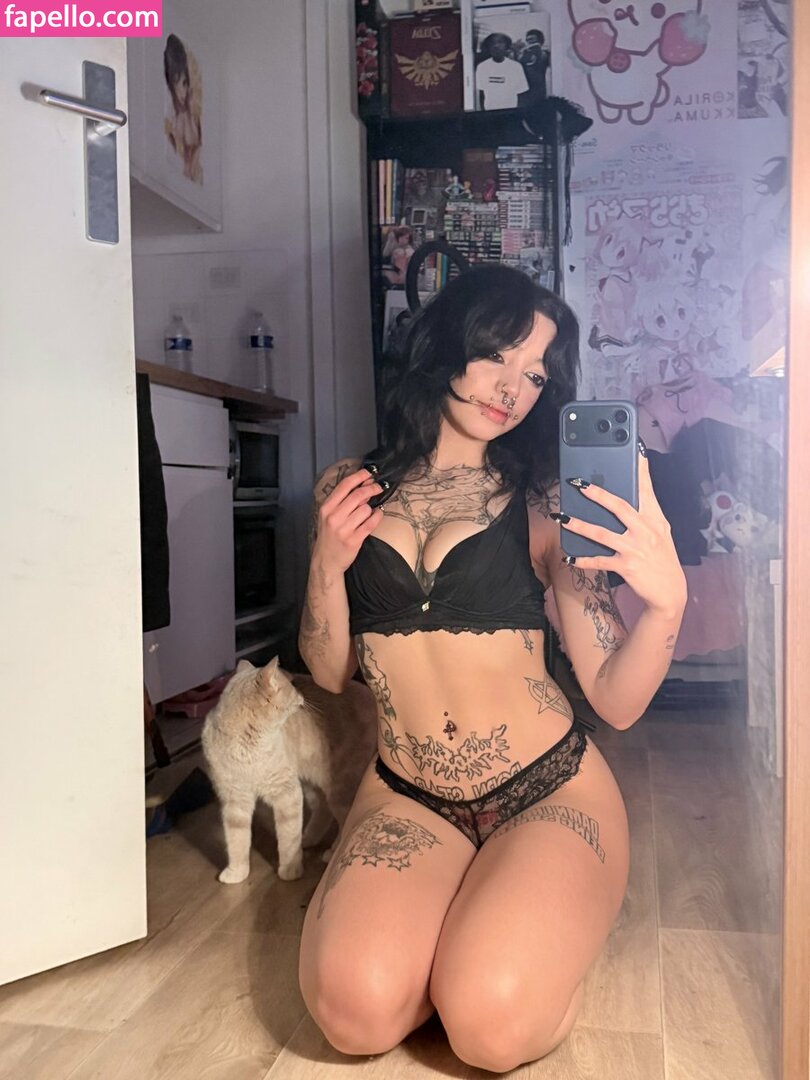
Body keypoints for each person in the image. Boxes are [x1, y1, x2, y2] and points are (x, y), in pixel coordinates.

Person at [298, 263, 687, 1072]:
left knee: (486, 1026)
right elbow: (329, 672)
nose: (513, 388)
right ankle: (471, 921)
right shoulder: (347, 487)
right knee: (352, 1015)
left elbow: (615, 700)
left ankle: (527, 935)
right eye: (499, 355)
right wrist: (326, 568)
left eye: (536, 374)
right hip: (409, 793)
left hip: (546, 789)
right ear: (448, 343)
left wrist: (668, 605)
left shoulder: (548, 503)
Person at [163, 33, 203, 184]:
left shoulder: (189, 114)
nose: (183, 92)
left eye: (185, 83)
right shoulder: (173, 120)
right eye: (177, 83)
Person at [476, 33, 529, 111]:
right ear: (488, 47)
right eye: (492, 43)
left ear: (506, 46)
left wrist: (518, 114)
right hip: (490, 112)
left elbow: (522, 94)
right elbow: (482, 94)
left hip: (510, 112)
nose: (496, 46)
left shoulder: (516, 67)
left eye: (500, 42)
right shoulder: (482, 67)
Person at [520, 28, 551, 105]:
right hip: (525, 90)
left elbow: (545, 61)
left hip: (539, 90)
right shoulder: (524, 53)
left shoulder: (545, 53)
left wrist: (538, 51)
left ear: (539, 40)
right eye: (527, 40)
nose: (529, 42)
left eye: (532, 39)